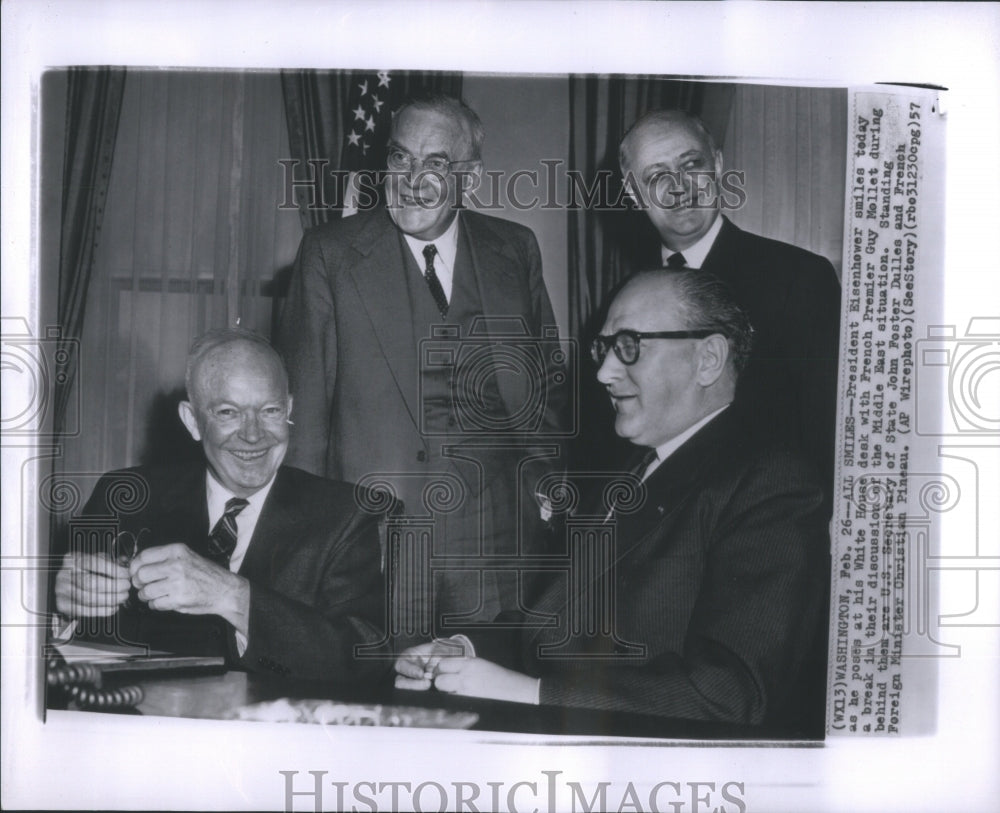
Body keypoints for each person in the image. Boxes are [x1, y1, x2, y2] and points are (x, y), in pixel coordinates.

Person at [395, 270, 830, 732]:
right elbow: (553, 616)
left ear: (708, 359)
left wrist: (529, 693)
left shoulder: (771, 484)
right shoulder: (629, 469)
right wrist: (465, 649)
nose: (604, 372)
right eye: (604, 349)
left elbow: (730, 694)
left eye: (630, 345)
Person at [276, 93, 568, 635]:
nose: (412, 179)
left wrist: (542, 484)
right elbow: (306, 419)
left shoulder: (516, 247)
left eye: (435, 163)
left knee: (490, 702)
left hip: (498, 546)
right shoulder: (330, 255)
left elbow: (544, 385)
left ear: (470, 176)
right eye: (399, 157)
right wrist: (311, 550)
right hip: (379, 542)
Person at [53, 328, 387, 682]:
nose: (254, 434)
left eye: (270, 411)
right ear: (193, 421)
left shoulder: (344, 514)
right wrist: (63, 610)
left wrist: (234, 597)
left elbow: (365, 658)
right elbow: (72, 646)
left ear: (289, 409)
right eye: (229, 412)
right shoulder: (125, 496)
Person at [618, 109, 841, 503]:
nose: (679, 187)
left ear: (718, 166)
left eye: (691, 165)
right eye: (656, 177)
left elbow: (825, 435)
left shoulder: (799, 278)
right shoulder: (625, 297)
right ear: (634, 193)